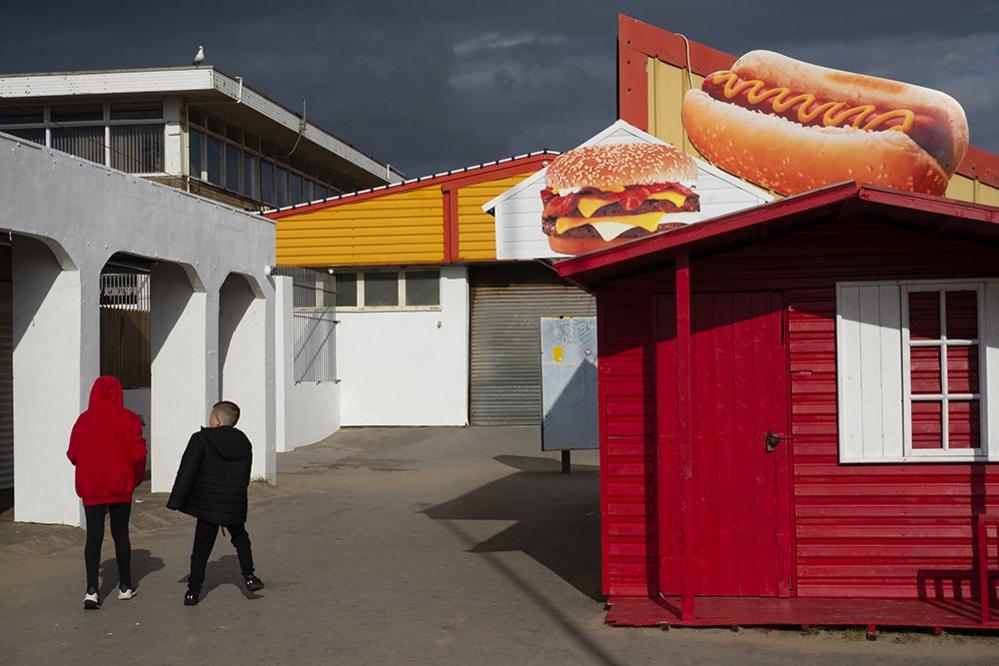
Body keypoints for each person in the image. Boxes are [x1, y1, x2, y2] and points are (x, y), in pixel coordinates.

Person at [167, 400, 264, 605]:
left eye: (211, 416)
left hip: (208, 504)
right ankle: (249, 576)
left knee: (201, 547)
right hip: (233, 502)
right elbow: (245, 474)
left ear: (218, 420)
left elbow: (187, 470)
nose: (209, 420)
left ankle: (193, 591)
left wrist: (176, 500)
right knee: (240, 538)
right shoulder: (243, 441)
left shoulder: (201, 439)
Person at [67, 376, 147, 610]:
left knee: (94, 537)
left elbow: (73, 453)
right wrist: (134, 478)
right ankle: (125, 586)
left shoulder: (83, 420)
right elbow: (139, 453)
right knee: (121, 534)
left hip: (92, 486)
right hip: (120, 485)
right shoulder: (130, 418)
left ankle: (92, 590)